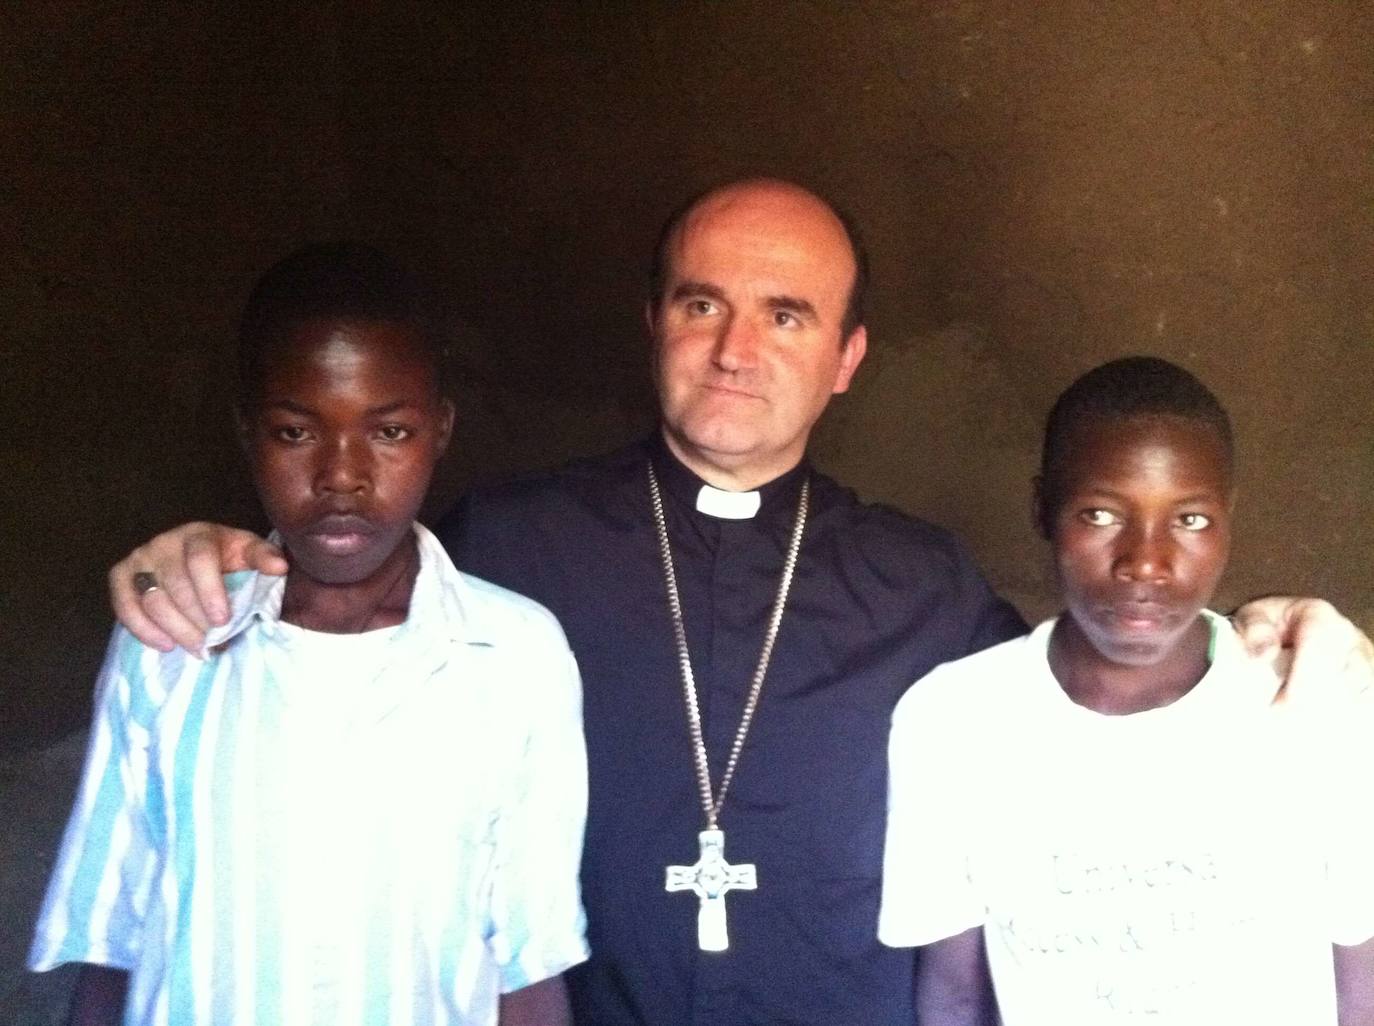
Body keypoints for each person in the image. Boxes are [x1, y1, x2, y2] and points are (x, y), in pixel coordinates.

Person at [106, 181, 1374, 1025]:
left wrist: (1276, 630)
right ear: (653, 319)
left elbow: (1114, 680)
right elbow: (328, 574)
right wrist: (208, 550)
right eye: (704, 303)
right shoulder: (506, 542)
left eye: (788, 314)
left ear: (848, 358)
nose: (736, 349)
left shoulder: (925, 585)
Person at [31, 244, 589, 1026]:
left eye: (389, 433)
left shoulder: (516, 657)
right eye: (296, 433)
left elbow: (529, 966)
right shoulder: (170, 639)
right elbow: (111, 947)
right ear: (247, 433)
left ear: (441, 431)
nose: (341, 475)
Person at [879, 357, 1374, 1025]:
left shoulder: (1316, 695)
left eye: (1190, 520)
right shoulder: (952, 720)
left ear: (1229, 520)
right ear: (1043, 511)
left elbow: (1360, 974)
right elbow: (954, 992)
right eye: (1102, 514)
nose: (1146, 561)